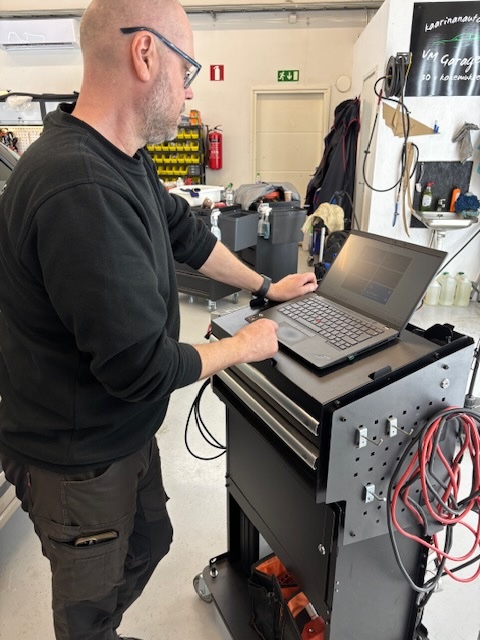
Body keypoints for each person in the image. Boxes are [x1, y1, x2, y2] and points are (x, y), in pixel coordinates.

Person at [0, 1, 317, 639]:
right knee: (87, 611)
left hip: (120, 432)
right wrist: (244, 345)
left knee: (151, 539)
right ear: (145, 54)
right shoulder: (79, 187)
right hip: (77, 459)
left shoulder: (123, 155)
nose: (191, 87)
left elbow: (187, 235)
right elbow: (141, 368)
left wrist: (265, 285)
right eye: (187, 68)